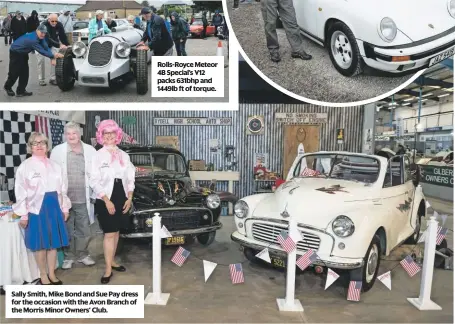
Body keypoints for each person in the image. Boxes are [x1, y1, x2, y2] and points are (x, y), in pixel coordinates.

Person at [13, 132, 70, 285]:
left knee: (53, 244)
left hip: (54, 207)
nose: (39, 146)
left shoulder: (56, 166)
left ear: (47, 146)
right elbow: (20, 191)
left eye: (42, 143)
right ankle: (43, 275)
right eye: (35, 143)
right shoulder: (25, 167)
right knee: (41, 245)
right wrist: (23, 215)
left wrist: (65, 208)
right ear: (30, 147)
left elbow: (63, 189)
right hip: (36, 209)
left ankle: (52, 273)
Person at [89, 120, 135, 284]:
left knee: (116, 232)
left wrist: (129, 198)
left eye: (112, 133)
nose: (109, 136)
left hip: (121, 195)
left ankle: (113, 261)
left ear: (117, 135)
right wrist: (106, 200)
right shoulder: (97, 155)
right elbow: (93, 180)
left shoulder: (124, 155)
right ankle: (108, 268)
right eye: (106, 133)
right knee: (109, 233)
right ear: (101, 136)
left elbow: (130, 178)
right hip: (105, 197)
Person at [50, 122, 97, 270]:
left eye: (74, 133)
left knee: (84, 228)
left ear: (80, 134)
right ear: (65, 135)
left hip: (83, 197)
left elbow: (95, 173)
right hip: (65, 199)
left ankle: (83, 254)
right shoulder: (57, 151)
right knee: (67, 229)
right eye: (68, 134)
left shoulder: (90, 150)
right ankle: (69, 256)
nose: (71, 136)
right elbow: (53, 174)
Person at [4, 24, 64, 97]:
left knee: (25, 72)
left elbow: (45, 47)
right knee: (14, 72)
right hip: (15, 52)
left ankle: (21, 91)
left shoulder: (40, 37)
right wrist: (53, 56)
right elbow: (41, 50)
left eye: (44, 32)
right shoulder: (32, 40)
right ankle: (7, 87)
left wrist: (52, 56)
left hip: (23, 53)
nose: (43, 34)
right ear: (37, 30)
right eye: (41, 32)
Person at [38, 14, 69, 86]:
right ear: (48, 20)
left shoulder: (59, 25)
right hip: (41, 44)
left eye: (56, 21)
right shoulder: (43, 26)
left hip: (52, 44)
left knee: (55, 59)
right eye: (52, 21)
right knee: (41, 61)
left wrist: (67, 45)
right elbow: (48, 39)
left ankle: (52, 78)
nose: (54, 23)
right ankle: (41, 79)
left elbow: (63, 36)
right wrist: (59, 45)